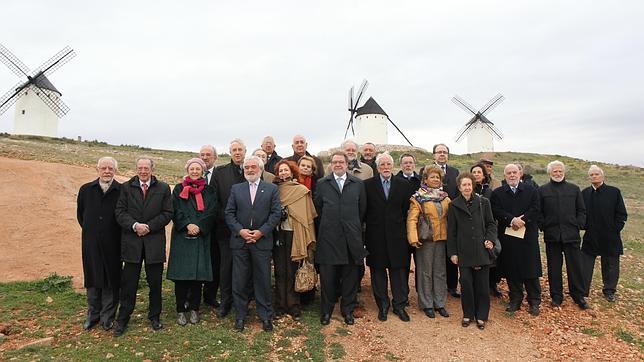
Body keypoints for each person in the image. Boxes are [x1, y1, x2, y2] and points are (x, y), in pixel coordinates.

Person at [113, 157, 173, 337]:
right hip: (132, 242)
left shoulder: (163, 188)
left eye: (146, 168)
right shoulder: (126, 187)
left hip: (154, 242)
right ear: (136, 169)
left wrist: (149, 226)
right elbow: (120, 212)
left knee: (155, 283)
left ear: (152, 169)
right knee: (129, 283)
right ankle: (123, 319)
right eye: (140, 168)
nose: (143, 171)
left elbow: (168, 213)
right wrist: (135, 226)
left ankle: (155, 316)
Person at [225, 156, 282, 332]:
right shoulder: (236, 189)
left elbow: (276, 214)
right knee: (240, 280)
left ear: (260, 169)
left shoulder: (271, 188)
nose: (250, 170)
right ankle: (240, 316)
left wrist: (260, 232)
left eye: (253, 167)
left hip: (262, 242)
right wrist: (240, 231)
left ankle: (265, 316)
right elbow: (229, 213)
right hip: (240, 242)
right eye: (247, 167)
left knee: (263, 280)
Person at [315, 151, 367, 326]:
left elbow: (362, 210)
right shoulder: (322, 184)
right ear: (331, 164)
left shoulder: (358, 184)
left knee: (350, 279)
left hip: (351, 239)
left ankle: (347, 311)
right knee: (328, 279)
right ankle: (326, 312)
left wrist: (352, 226)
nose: (338, 165)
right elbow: (318, 210)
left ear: (347, 164)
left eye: (341, 162)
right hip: (329, 238)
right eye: (335, 162)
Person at [167, 158, 218, 326]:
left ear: (202, 171)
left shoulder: (209, 191)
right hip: (182, 236)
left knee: (197, 275)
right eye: (192, 168)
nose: (195, 171)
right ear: (187, 170)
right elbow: (175, 209)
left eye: (198, 169)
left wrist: (200, 226)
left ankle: (195, 308)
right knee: (182, 276)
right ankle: (181, 310)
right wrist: (187, 224)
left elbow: (212, 211)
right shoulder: (179, 189)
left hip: (201, 236)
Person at [364, 153, 411, 322]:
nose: (385, 167)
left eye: (388, 164)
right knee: (378, 273)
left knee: (398, 272)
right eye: (382, 164)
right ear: (377, 167)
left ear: (392, 166)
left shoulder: (403, 185)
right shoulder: (367, 185)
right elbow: (364, 212)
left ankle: (399, 305)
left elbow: (406, 211)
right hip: (375, 236)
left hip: (397, 237)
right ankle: (382, 305)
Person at [76, 156, 122, 331]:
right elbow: (81, 215)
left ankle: (107, 317)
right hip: (91, 243)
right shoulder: (86, 190)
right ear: (97, 169)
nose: (107, 171)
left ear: (115, 171)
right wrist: (94, 231)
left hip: (114, 243)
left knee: (111, 280)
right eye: (104, 168)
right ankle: (93, 315)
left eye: (110, 168)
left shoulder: (121, 190)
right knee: (93, 278)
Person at [447, 173, 497, 330]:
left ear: (473, 185)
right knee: (466, 283)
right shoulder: (454, 205)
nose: (467, 187)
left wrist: (490, 239)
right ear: (459, 187)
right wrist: (453, 252)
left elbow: (491, 224)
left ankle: (482, 316)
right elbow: (452, 231)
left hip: (481, 249)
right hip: (464, 250)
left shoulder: (484, 202)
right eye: (464, 185)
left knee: (482, 284)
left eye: (469, 184)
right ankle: (468, 314)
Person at [491, 164, 542, 316]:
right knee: (512, 268)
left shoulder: (531, 190)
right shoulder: (498, 193)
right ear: (505, 175)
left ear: (520, 173)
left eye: (514, 172)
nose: (512, 175)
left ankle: (534, 301)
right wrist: (512, 219)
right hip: (509, 236)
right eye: (509, 173)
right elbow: (496, 210)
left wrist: (523, 220)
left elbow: (536, 207)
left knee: (530, 268)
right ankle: (516, 299)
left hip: (528, 235)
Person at [539, 160, 588, 309]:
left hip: (571, 235)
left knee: (575, 267)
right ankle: (556, 296)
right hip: (552, 235)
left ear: (564, 172)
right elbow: (539, 212)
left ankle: (578, 296)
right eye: (555, 171)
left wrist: (578, 224)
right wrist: (544, 225)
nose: (558, 173)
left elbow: (582, 211)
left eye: (560, 171)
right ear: (550, 173)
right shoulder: (543, 190)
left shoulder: (574, 189)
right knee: (554, 267)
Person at [272, 160, 317, 320]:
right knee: (279, 271)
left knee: (292, 270)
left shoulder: (302, 190)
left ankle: (293, 305)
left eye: (286, 170)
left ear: (292, 172)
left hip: (295, 234)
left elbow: (308, 216)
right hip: (278, 234)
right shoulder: (273, 190)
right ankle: (279, 305)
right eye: (280, 171)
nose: (283, 173)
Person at [407, 166, 451, 319]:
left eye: (438, 177)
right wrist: (413, 238)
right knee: (425, 272)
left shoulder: (445, 197)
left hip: (441, 239)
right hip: (425, 240)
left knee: (440, 272)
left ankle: (439, 303)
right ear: (425, 180)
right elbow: (412, 218)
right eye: (432, 177)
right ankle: (426, 303)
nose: (435, 180)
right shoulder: (418, 197)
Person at [581, 165, 627, 303]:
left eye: (596, 174)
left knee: (611, 265)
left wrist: (615, 229)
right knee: (585, 264)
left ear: (602, 176)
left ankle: (609, 291)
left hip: (610, 235)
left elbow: (621, 214)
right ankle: (583, 290)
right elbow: (581, 212)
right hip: (591, 235)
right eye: (591, 175)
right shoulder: (585, 193)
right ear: (589, 177)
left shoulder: (614, 192)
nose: (594, 176)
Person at [212, 139, 247, 318]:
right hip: (226, 230)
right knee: (226, 268)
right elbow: (215, 201)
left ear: (245, 151)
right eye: (234, 150)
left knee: (245, 268)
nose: (237, 152)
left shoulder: (252, 169)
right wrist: (229, 221)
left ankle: (244, 300)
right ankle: (226, 302)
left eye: (240, 149)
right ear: (230, 152)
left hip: (248, 232)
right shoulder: (220, 172)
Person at [432, 143, 460, 298]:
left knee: (451, 250)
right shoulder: (427, 171)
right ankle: (436, 286)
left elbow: (457, 193)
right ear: (434, 155)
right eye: (439, 152)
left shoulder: (455, 172)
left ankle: (452, 286)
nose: (442, 154)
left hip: (451, 217)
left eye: (444, 152)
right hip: (434, 217)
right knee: (436, 253)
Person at [470, 162, 498, 296]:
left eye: (479, 172)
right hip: (472, 229)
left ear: (484, 175)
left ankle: (491, 285)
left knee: (491, 255)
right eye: (474, 172)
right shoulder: (468, 189)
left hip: (487, 227)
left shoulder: (489, 191)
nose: (476, 175)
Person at [200, 145, 221, 308]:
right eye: (202, 155)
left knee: (214, 261)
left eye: (208, 155)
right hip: (196, 228)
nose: (205, 157)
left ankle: (210, 295)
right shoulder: (193, 172)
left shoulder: (221, 175)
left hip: (215, 226)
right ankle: (191, 294)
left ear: (215, 157)